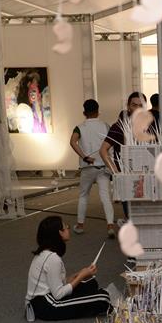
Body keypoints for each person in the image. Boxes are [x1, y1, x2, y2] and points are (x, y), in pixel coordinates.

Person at [25, 215, 111, 321]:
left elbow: (60, 283)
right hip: (45, 305)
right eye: (66, 227)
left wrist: (80, 274)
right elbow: (58, 294)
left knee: (91, 283)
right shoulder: (52, 258)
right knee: (103, 298)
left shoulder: (46, 253)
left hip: (48, 297)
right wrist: (81, 276)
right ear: (60, 233)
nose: (68, 229)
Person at [70, 99, 115, 238]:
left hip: (87, 167)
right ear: (98, 111)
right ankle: (110, 226)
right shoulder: (106, 126)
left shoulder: (79, 127)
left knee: (83, 195)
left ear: (84, 112)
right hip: (103, 166)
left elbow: (72, 142)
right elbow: (111, 146)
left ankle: (80, 225)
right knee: (105, 197)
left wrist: (84, 157)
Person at [99, 92, 147, 221]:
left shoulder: (148, 126)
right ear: (128, 106)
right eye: (134, 105)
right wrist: (116, 173)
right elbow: (103, 150)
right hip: (127, 179)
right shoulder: (119, 127)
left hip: (146, 177)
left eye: (141, 106)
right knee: (132, 218)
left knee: (147, 217)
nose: (137, 109)